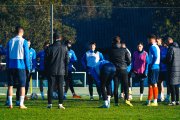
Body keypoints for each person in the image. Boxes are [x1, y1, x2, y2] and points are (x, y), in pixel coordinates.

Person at [6, 26, 30, 109]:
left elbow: (7, 55)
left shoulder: (10, 41)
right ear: (22, 32)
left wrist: (7, 65)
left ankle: (10, 104)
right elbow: (26, 56)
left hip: (11, 66)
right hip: (21, 66)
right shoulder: (24, 41)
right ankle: (21, 104)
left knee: (10, 85)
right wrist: (28, 67)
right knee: (22, 86)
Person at [45, 31, 69, 109]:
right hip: (61, 70)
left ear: (53, 38)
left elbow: (46, 61)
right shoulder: (64, 47)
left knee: (50, 87)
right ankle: (60, 104)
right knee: (60, 87)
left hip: (51, 70)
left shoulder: (49, 48)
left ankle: (49, 104)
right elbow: (67, 61)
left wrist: (47, 70)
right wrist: (66, 70)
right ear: (60, 38)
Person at [109, 36, 133, 106]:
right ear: (120, 42)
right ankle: (127, 100)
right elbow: (129, 60)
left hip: (115, 70)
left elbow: (110, 58)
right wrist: (126, 64)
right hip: (123, 69)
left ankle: (116, 102)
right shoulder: (124, 50)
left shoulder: (111, 50)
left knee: (116, 86)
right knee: (126, 85)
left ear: (113, 42)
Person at [147, 35, 160, 106]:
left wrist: (152, 64)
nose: (148, 40)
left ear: (152, 39)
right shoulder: (156, 46)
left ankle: (155, 101)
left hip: (153, 67)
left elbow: (155, 56)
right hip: (156, 67)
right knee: (151, 84)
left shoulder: (153, 47)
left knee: (153, 83)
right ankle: (149, 100)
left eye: (149, 39)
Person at [156, 37, 169, 102]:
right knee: (159, 83)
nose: (156, 42)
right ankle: (159, 96)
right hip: (160, 69)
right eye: (156, 41)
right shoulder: (156, 48)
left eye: (158, 41)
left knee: (168, 84)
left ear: (161, 41)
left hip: (166, 69)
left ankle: (168, 97)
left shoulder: (166, 49)